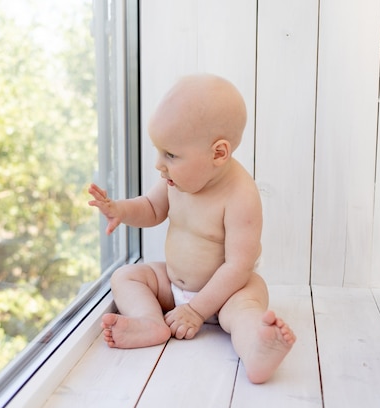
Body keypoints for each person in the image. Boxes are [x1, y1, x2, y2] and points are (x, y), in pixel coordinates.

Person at [88, 74, 295, 384]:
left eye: (170, 155)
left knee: (245, 308)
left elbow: (239, 266)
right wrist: (120, 210)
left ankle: (256, 347)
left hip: (227, 293)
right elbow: (152, 208)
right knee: (126, 276)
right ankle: (149, 322)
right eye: (160, 151)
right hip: (172, 286)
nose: (160, 164)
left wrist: (197, 310)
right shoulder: (176, 179)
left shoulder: (240, 196)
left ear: (218, 153)